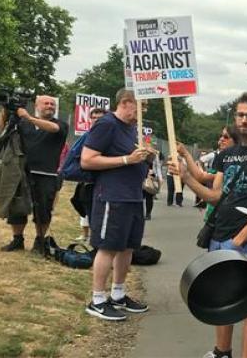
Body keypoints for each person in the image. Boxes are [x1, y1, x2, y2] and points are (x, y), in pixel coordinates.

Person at [172, 91, 247, 358]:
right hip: (219, 236)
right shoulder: (228, 154)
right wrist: (186, 177)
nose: (244, 120)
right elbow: (215, 196)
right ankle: (222, 352)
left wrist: (243, 237)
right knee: (223, 297)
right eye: (240, 115)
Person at [80, 89, 155, 321]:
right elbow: (87, 160)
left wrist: (148, 156)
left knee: (128, 247)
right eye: (141, 106)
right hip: (112, 196)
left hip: (134, 196)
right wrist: (126, 160)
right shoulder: (106, 124)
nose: (143, 112)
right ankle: (98, 299)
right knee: (108, 246)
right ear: (126, 103)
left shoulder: (133, 129)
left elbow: (136, 156)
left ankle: (118, 293)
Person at [0, 95, 69, 253]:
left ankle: (40, 241)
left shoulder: (61, 125)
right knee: (17, 207)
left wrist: (28, 117)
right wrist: (5, 110)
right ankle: (17, 239)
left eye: (52, 104)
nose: (50, 106)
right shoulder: (23, 123)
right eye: (46, 103)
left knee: (43, 210)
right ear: (37, 105)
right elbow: (3, 128)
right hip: (22, 173)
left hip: (47, 174)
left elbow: (53, 129)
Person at [70, 107, 107, 242]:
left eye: (100, 118)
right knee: (85, 208)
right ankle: (94, 242)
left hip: (102, 183)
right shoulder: (87, 136)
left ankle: (97, 244)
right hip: (86, 181)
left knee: (99, 216)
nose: (97, 121)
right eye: (94, 118)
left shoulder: (109, 136)